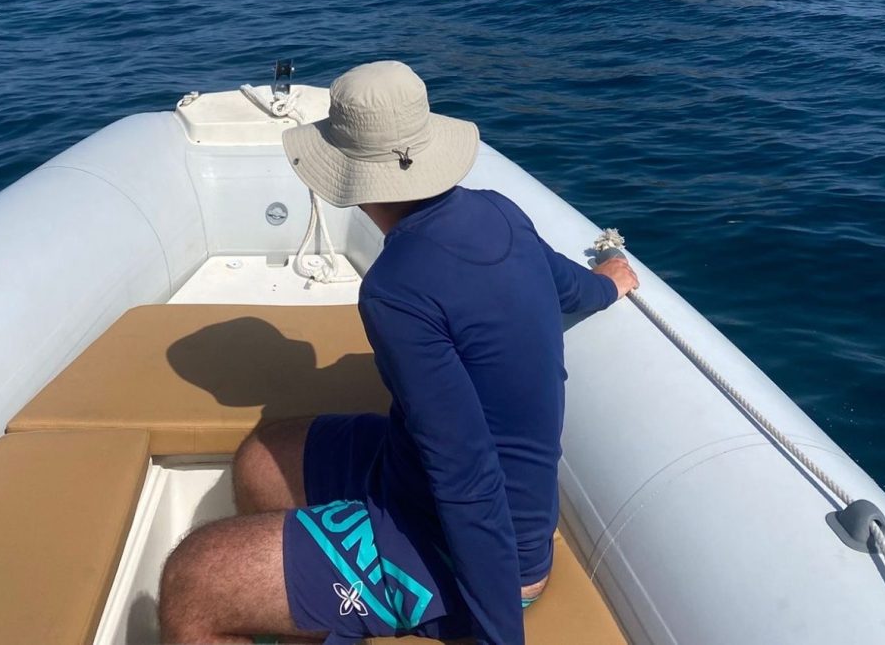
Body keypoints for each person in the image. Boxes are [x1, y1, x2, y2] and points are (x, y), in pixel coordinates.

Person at [159, 61, 639, 645]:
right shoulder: (498, 210)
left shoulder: (395, 292)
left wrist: (498, 634)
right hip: (416, 481)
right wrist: (610, 283)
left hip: (478, 557)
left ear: (349, 174)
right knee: (262, 457)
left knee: (194, 581)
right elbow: (568, 287)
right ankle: (315, 613)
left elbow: (466, 473)